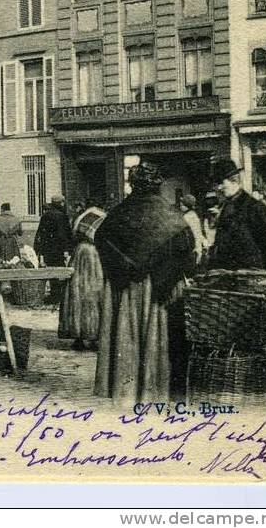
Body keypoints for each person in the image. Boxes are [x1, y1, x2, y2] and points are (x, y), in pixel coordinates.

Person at [94, 162, 195, 406]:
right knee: (159, 340)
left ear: (132, 185)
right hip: (161, 289)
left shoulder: (117, 213)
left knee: (128, 338)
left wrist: (124, 269)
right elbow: (187, 252)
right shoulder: (173, 216)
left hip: (128, 290)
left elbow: (101, 240)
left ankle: (127, 393)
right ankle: (157, 393)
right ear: (158, 184)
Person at [209, 158, 266, 271]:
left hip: (250, 276)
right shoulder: (226, 207)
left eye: (221, 183)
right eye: (216, 184)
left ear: (234, 180)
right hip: (227, 276)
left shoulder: (255, 207)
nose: (218, 188)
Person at [60, 206, 106, 351]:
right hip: (94, 256)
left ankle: (78, 337)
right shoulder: (102, 218)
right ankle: (93, 336)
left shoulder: (82, 219)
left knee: (76, 294)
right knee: (93, 294)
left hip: (79, 254)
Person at [34, 193, 73, 304]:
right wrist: (67, 249)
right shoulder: (62, 216)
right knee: (60, 271)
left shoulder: (45, 216)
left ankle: (54, 295)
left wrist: (39, 248)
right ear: (61, 203)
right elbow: (64, 234)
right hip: (58, 249)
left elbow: (40, 233)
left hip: (47, 248)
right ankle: (60, 296)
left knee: (51, 271)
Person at [178, 194, 209, 265]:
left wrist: (198, 249)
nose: (180, 206)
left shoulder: (187, 217)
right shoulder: (193, 214)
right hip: (196, 245)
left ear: (187, 206)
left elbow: (196, 233)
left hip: (192, 246)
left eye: (182, 205)